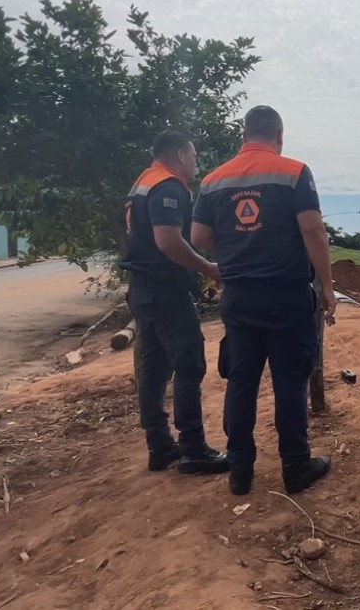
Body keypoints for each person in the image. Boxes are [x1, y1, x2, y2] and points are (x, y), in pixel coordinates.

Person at [191, 106, 337, 496]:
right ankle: (295, 467)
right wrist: (327, 285)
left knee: (241, 383)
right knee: (290, 383)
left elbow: (200, 237)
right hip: (287, 295)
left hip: (239, 298)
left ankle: (240, 472)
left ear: (244, 136)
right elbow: (312, 229)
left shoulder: (213, 180)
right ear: (280, 136)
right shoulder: (294, 172)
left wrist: (239, 241)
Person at [121, 130, 229, 475]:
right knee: (189, 363)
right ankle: (193, 448)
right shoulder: (168, 186)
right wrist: (207, 266)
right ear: (181, 155)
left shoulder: (143, 181)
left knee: (153, 369)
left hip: (141, 290)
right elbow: (168, 241)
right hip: (165, 291)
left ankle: (159, 445)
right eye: (194, 156)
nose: (196, 163)